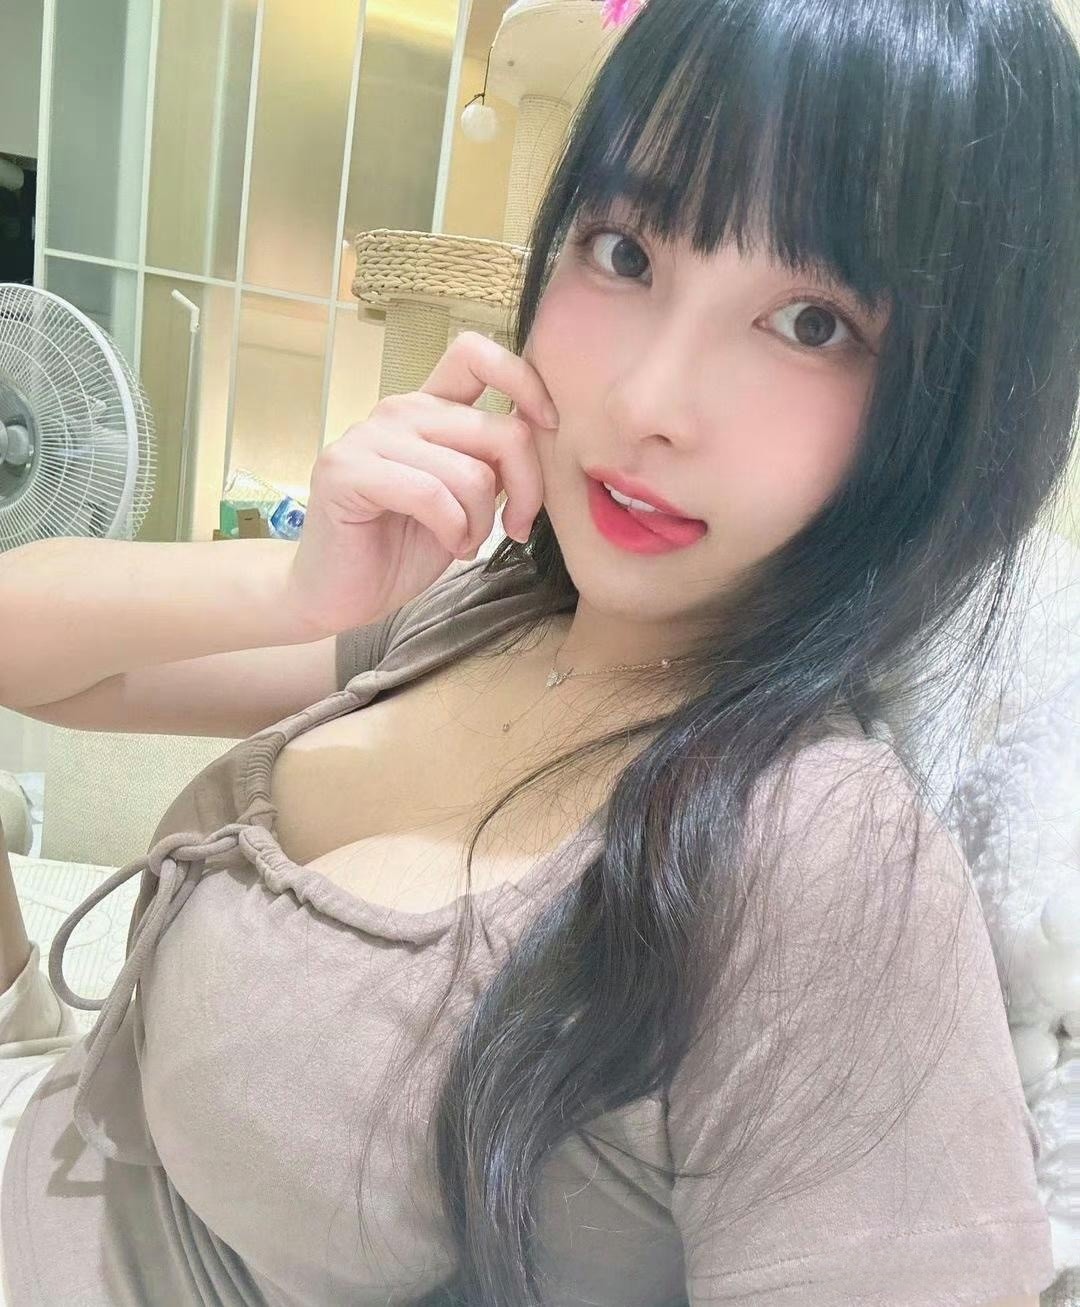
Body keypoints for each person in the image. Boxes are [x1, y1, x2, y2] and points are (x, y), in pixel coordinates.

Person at [1, 0, 1078, 1300]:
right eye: (624, 250)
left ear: (956, 405)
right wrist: (292, 587)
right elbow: (26, 649)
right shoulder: (494, 615)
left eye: (813, 323)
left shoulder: (825, 860)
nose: (646, 402)